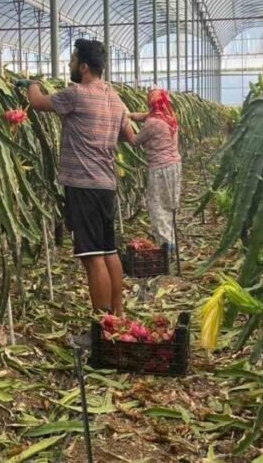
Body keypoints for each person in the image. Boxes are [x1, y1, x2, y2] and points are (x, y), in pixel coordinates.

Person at [19, 39, 135, 318]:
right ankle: (118, 314)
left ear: (83, 67)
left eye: (72, 60)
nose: (69, 65)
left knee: (92, 257)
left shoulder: (76, 94)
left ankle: (103, 323)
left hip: (83, 185)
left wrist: (31, 83)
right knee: (109, 250)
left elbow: (37, 102)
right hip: (106, 185)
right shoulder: (115, 98)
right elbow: (127, 135)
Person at [129, 89, 182, 253]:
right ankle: (171, 239)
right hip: (174, 166)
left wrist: (123, 126)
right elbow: (145, 116)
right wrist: (130, 115)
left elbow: (135, 141)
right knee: (170, 204)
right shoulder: (169, 117)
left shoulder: (152, 123)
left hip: (160, 168)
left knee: (157, 205)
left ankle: (165, 244)